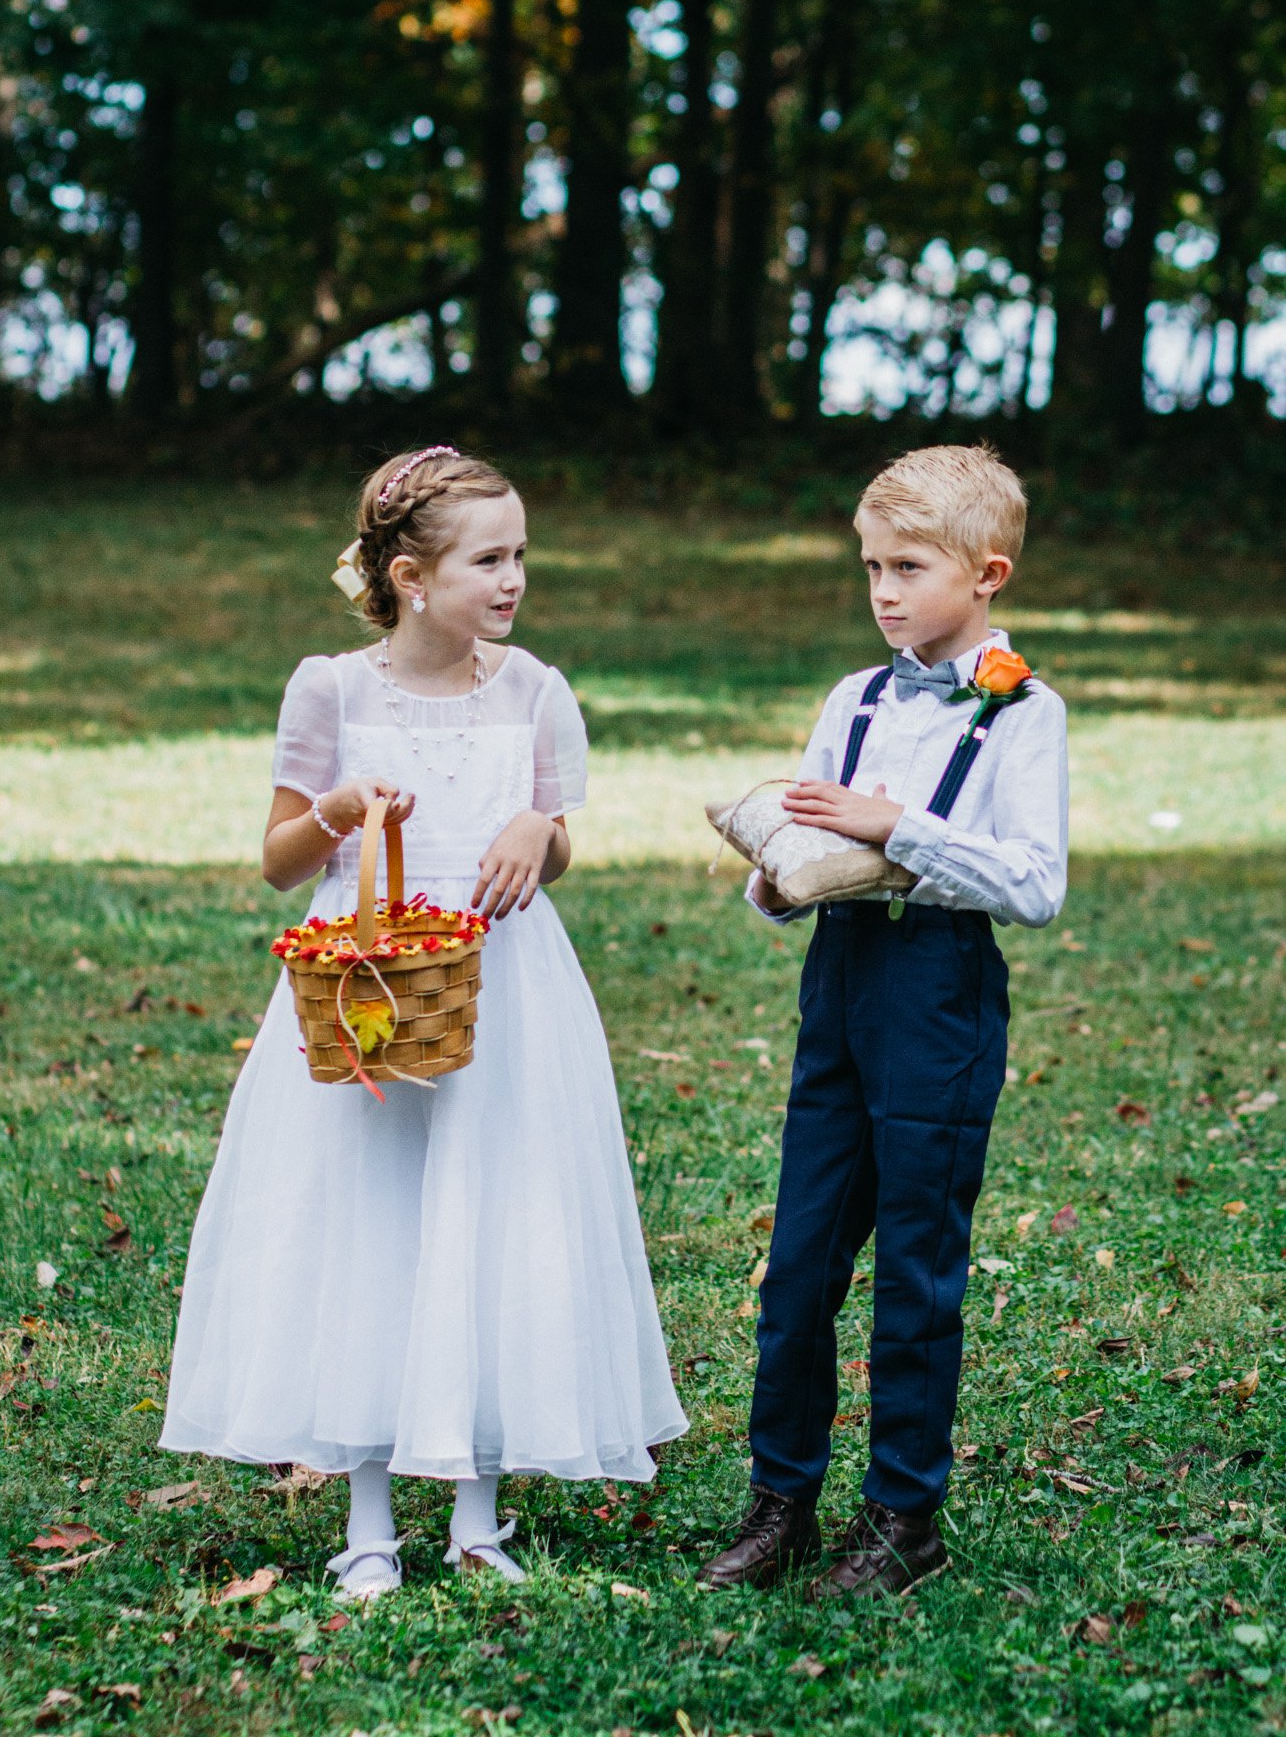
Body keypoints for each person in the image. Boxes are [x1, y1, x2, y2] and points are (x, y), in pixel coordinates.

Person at [162, 446, 686, 1600]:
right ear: (409, 574)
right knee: (370, 1223)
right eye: (489, 559)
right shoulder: (332, 690)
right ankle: (364, 1516)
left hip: (501, 985)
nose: (514, 580)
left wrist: (534, 835)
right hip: (366, 983)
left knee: (494, 1220)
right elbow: (276, 858)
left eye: (520, 556)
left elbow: (556, 837)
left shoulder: (534, 687)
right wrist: (339, 809)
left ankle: (477, 1510)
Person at [699, 444, 1067, 1600]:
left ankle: (905, 1516)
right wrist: (771, 864)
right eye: (871, 568)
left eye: (908, 566)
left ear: (987, 572)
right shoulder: (851, 698)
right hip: (840, 985)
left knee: (915, 1264)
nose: (884, 591)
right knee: (800, 1257)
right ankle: (780, 1499)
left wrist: (898, 826)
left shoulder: (1024, 711)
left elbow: (1035, 883)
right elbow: (806, 846)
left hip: (940, 995)